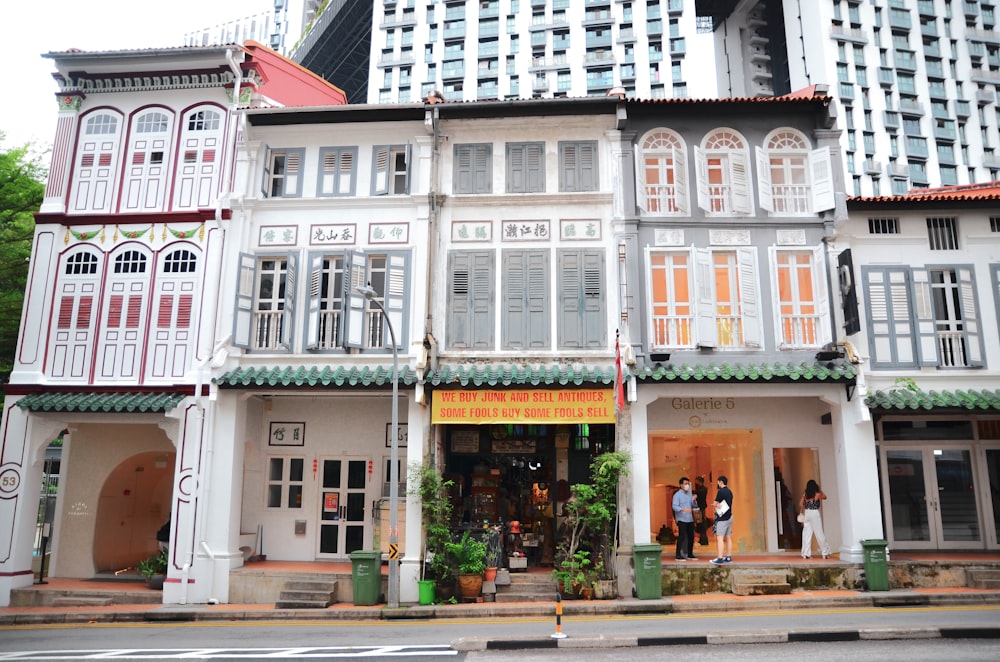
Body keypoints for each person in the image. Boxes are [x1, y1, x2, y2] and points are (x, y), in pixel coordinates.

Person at [799, 479, 831, 559]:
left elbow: (800, 504)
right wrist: (819, 489)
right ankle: (825, 553)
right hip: (814, 513)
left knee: (806, 534)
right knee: (819, 533)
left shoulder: (805, 495)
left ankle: (806, 554)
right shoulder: (817, 494)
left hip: (807, 513)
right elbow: (825, 497)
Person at [671, 477, 696, 560]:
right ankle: (678, 554)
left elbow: (693, 506)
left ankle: (690, 553)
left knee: (691, 536)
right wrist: (683, 509)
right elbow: (674, 506)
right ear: (681, 485)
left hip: (690, 518)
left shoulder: (689, 495)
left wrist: (694, 500)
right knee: (682, 536)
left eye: (688, 484)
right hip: (681, 519)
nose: (687, 485)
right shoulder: (677, 495)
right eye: (685, 484)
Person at [710, 475, 733, 565]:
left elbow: (716, 503)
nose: (718, 484)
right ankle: (728, 557)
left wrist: (715, 505)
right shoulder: (730, 492)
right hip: (730, 516)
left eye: (718, 482)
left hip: (722, 518)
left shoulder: (721, 492)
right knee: (729, 537)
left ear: (720, 482)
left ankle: (720, 558)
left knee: (720, 538)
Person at [693, 476, 709, 546]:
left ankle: (704, 539)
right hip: (699, 508)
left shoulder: (703, 489)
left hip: (701, 508)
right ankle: (702, 539)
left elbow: (698, 494)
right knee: (699, 523)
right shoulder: (700, 489)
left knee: (702, 523)